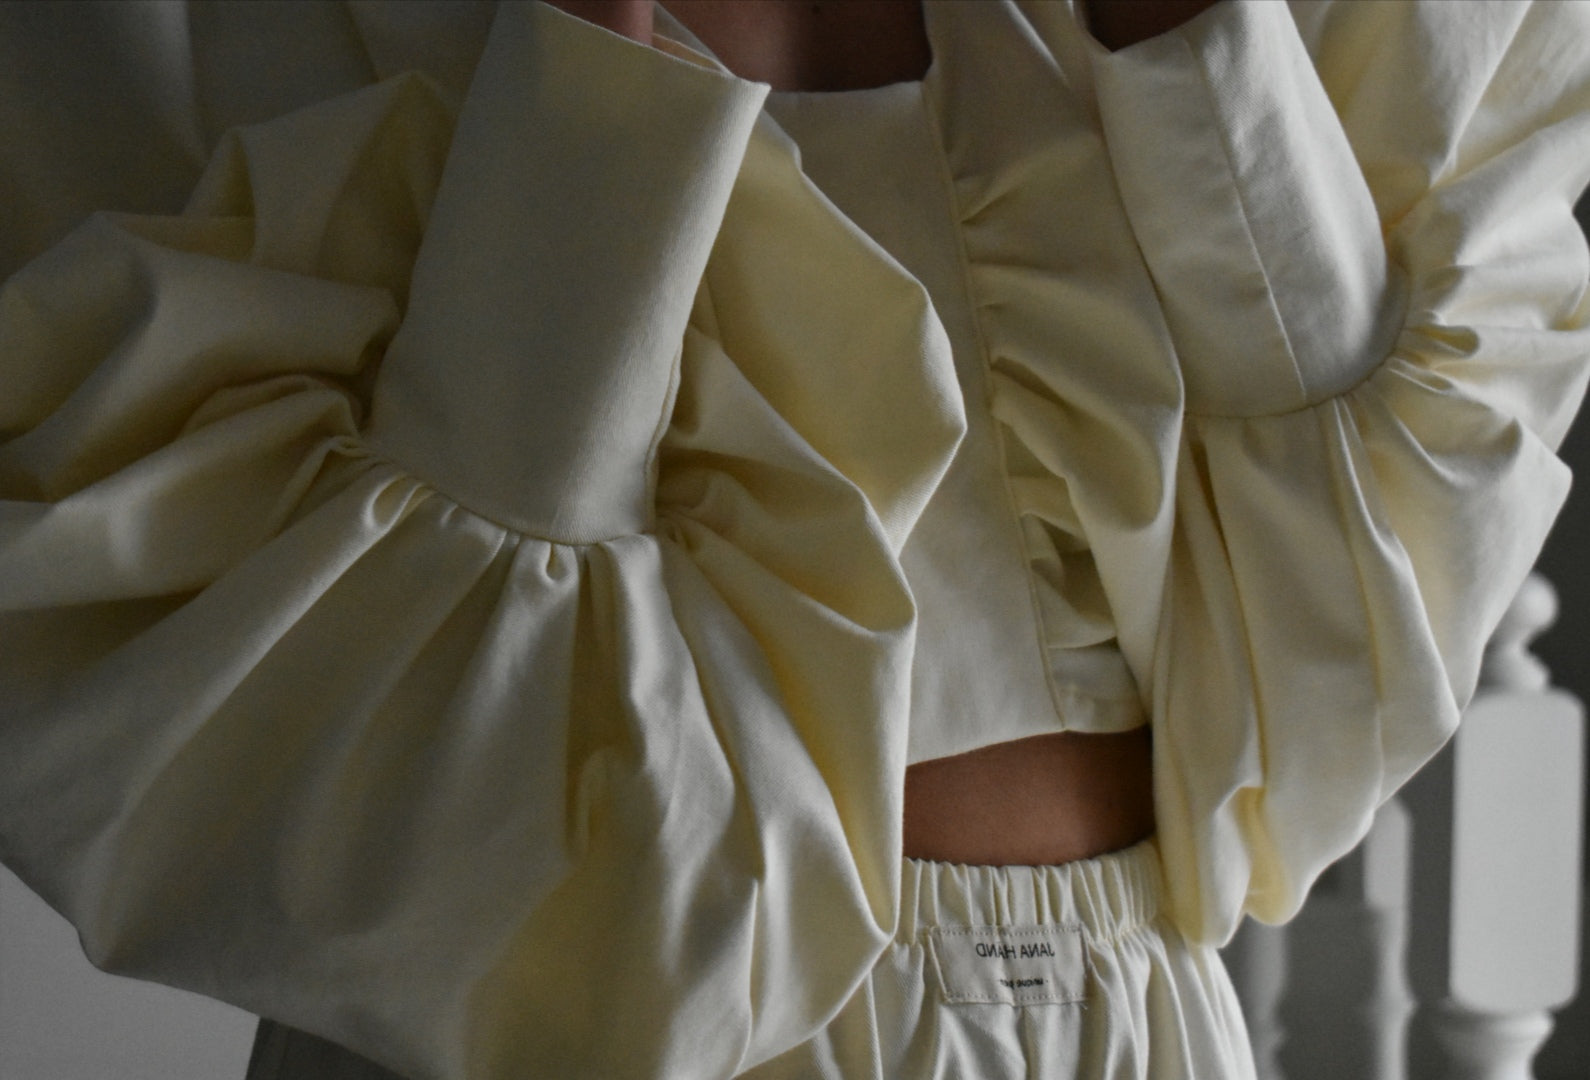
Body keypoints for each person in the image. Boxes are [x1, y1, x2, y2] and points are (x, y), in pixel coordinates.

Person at [1, 1, 1587, 1077]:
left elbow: (1357, 637)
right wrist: (595, 75)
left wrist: (1199, 46)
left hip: (1126, 1020)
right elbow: (361, 728)